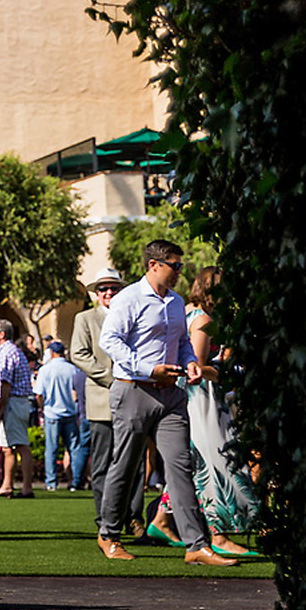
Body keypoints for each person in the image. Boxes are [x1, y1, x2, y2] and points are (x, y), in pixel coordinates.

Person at [96, 240, 236, 566]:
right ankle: (108, 534)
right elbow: (109, 341)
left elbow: (184, 342)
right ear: (154, 264)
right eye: (175, 265)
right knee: (127, 466)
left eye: (181, 266)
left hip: (170, 394)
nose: (179, 272)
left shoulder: (175, 302)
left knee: (180, 466)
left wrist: (189, 362)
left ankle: (196, 545)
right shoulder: (128, 298)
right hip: (134, 390)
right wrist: (148, 368)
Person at [172, 268, 259, 555]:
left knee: (194, 460)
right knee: (215, 461)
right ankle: (219, 535)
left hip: (187, 397)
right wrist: (225, 370)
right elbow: (195, 368)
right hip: (201, 399)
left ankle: (161, 521)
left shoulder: (184, 311)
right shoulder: (203, 320)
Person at [71, 268, 143, 536]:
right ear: (96, 293)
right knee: (102, 463)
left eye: (114, 288)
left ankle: (134, 518)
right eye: (103, 289)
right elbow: (78, 353)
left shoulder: (133, 316)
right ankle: (105, 518)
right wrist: (114, 379)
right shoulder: (85, 318)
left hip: (135, 397)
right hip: (102, 399)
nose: (109, 293)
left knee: (135, 462)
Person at [0, 319, 36, 497]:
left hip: (14, 401)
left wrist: (1, 406)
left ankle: (27, 487)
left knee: (21, 445)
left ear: (2, 334)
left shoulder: (7, 352)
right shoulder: (9, 351)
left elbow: (5, 383)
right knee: (8, 446)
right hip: (16, 401)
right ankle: (7, 484)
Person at [36, 342, 88, 490]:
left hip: (52, 412)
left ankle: (51, 482)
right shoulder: (72, 369)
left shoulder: (45, 370)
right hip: (70, 411)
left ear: (52, 353)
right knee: (74, 448)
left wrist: (42, 407)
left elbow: (39, 393)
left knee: (51, 449)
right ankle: (76, 480)